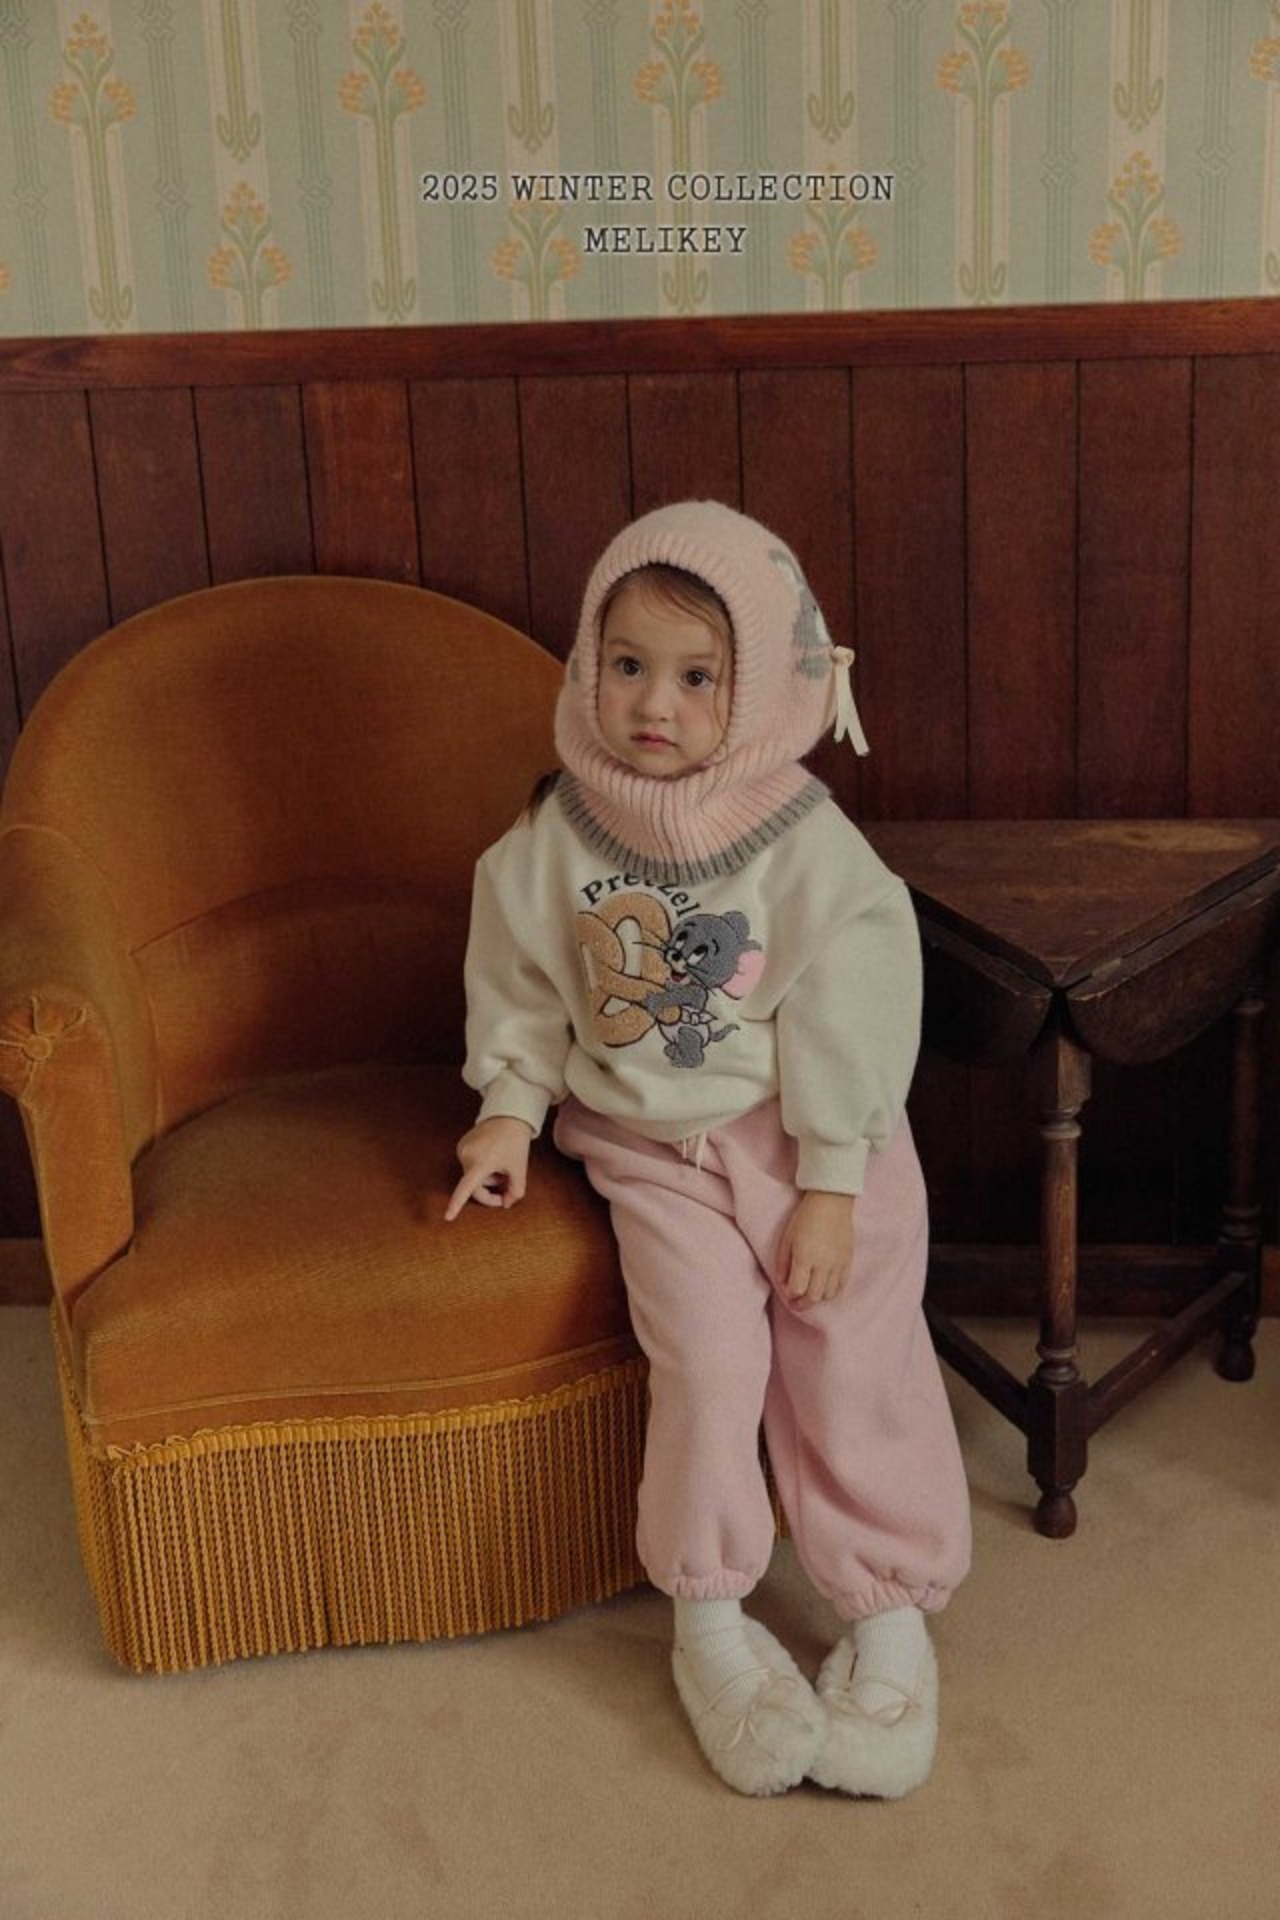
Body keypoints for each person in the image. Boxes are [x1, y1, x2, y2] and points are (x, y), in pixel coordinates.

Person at [444, 500, 971, 1800]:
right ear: (588, 662)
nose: (653, 704)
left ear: (764, 691)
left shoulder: (801, 838)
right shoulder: (553, 836)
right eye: (628, 665)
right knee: (712, 1359)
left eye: (697, 677)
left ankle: (886, 1607)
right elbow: (521, 985)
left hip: (809, 1132)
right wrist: (509, 1108)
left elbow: (854, 1003)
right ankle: (710, 1616)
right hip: (649, 1147)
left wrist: (833, 1183)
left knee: (849, 1345)